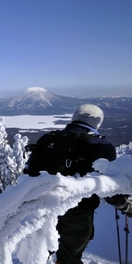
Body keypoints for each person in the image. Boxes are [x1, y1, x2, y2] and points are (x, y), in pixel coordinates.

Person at [24, 104, 116, 264]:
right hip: (78, 211)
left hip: (42, 206)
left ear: (74, 118)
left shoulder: (49, 138)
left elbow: (29, 173)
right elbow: (110, 186)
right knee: (70, 256)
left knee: (41, 250)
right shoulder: (101, 146)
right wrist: (124, 204)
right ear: (97, 124)